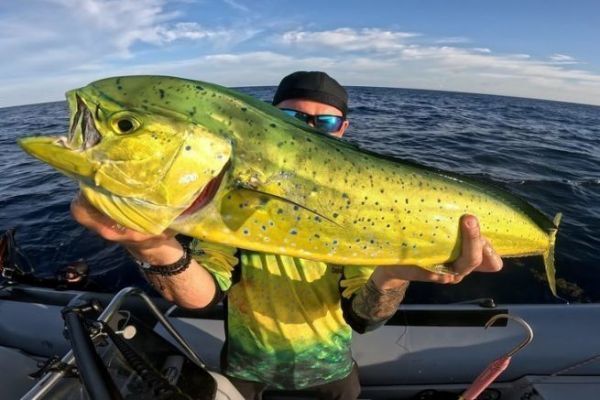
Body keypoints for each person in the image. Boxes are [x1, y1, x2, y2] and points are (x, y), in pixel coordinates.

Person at [71, 71, 503, 399]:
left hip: (333, 376)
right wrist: (151, 246)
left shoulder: (364, 213)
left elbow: (364, 318)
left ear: (344, 131)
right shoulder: (229, 207)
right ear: (270, 122)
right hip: (246, 374)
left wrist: (392, 274)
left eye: (327, 121)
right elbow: (202, 297)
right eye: (294, 117)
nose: (311, 129)